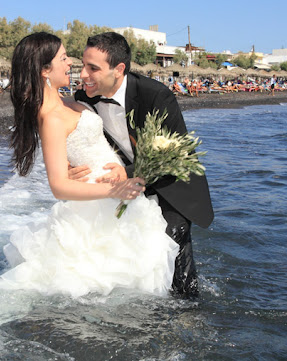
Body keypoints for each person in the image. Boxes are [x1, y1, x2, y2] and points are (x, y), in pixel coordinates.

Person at [0, 32, 179, 297]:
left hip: (120, 197)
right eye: (63, 58)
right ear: (44, 70)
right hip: (101, 203)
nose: (70, 64)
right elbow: (59, 187)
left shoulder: (73, 101)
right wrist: (115, 191)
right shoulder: (52, 117)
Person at [72, 32, 214, 299]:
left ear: (119, 69)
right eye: (83, 65)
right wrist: (73, 166)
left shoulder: (155, 95)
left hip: (172, 183)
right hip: (128, 188)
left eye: (93, 68)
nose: (83, 74)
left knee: (173, 248)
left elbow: (175, 152)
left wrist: (126, 172)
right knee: (133, 254)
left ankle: (190, 314)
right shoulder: (85, 98)